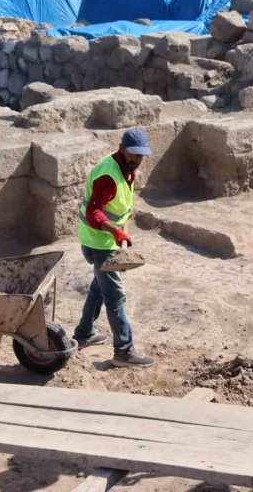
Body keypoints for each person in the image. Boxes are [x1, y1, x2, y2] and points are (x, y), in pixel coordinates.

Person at [74, 128, 155, 368]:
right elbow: (93, 212)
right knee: (115, 295)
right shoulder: (109, 176)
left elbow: (118, 204)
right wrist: (116, 231)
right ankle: (124, 351)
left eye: (141, 156)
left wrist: (123, 226)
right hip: (99, 242)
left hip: (103, 240)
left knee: (99, 286)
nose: (137, 159)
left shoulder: (126, 167)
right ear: (121, 149)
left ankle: (84, 333)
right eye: (133, 155)